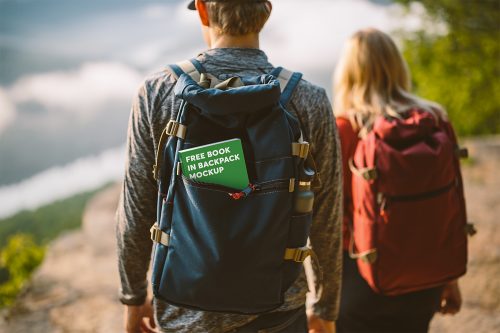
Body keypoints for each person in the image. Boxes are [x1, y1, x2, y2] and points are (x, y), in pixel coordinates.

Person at [115, 1, 343, 332]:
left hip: (183, 311)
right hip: (278, 312)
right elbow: (327, 218)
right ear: (265, 12)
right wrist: (325, 307)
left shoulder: (158, 92)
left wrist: (133, 299)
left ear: (204, 11)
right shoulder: (308, 99)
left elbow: (135, 212)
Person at [333, 28, 463, 333]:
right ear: (396, 65)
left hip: (360, 277)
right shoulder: (434, 120)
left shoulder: (343, 127)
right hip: (425, 277)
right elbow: (450, 204)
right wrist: (449, 278)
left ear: (348, 72)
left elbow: (331, 217)